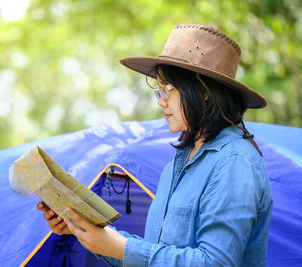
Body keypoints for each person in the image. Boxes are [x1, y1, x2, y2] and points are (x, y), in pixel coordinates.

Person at [37, 24, 273, 266]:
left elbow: (216, 262)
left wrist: (121, 247)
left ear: (203, 91)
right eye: (158, 90)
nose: (161, 102)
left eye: (166, 89)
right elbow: (157, 256)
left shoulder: (234, 161)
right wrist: (85, 230)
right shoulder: (178, 163)